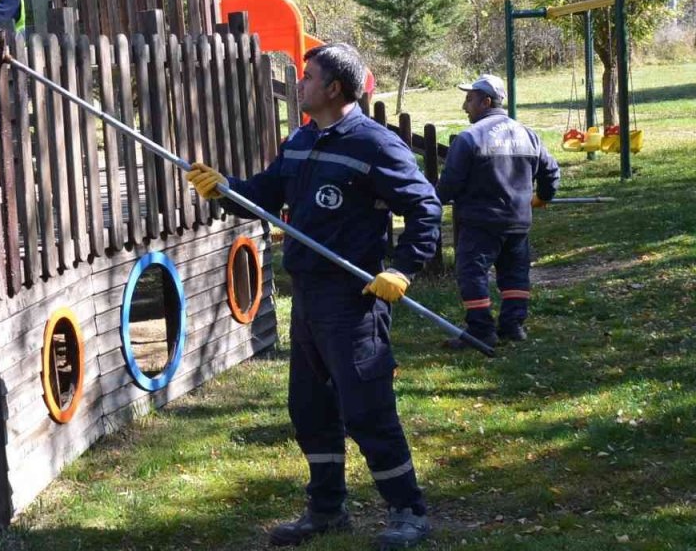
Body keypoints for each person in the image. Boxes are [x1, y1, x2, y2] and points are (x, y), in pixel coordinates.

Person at [186, 43, 441, 549]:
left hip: (354, 300)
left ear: (334, 89)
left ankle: (408, 510)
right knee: (309, 407)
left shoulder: (375, 145)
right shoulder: (301, 140)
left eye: (307, 77)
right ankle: (326, 510)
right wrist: (224, 188)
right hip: (306, 295)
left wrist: (402, 270)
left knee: (366, 407)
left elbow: (425, 208)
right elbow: (265, 194)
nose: (299, 84)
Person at [436, 74, 560, 349]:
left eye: (469, 99)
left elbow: (449, 184)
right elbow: (551, 171)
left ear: (486, 102)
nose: (464, 106)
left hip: (481, 222)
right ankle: (513, 327)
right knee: (515, 275)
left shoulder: (470, 138)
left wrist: (428, 204)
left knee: (472, 273)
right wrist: (542, 197)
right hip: (518, 222)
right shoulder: (529, 135)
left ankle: (481, 330)